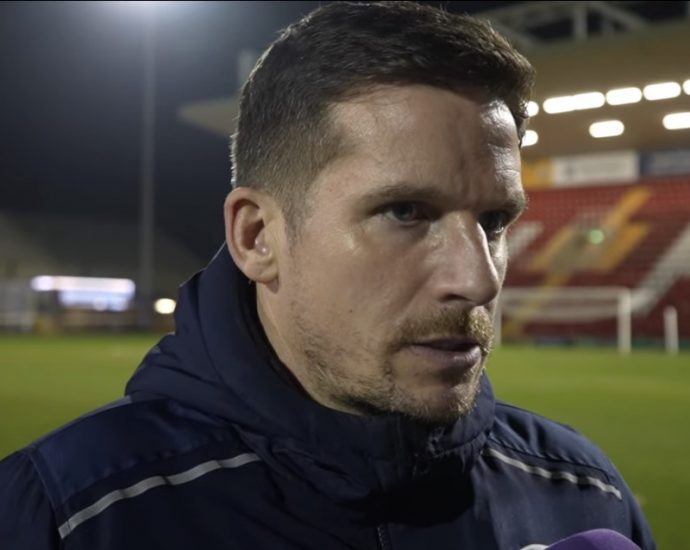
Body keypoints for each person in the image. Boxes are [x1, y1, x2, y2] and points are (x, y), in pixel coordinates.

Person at [0, 2, 655, 549]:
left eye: (494, 221)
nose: (478, 280)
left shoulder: (585, 496)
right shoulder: (71, 516)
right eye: (405, 212)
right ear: (258, 237)